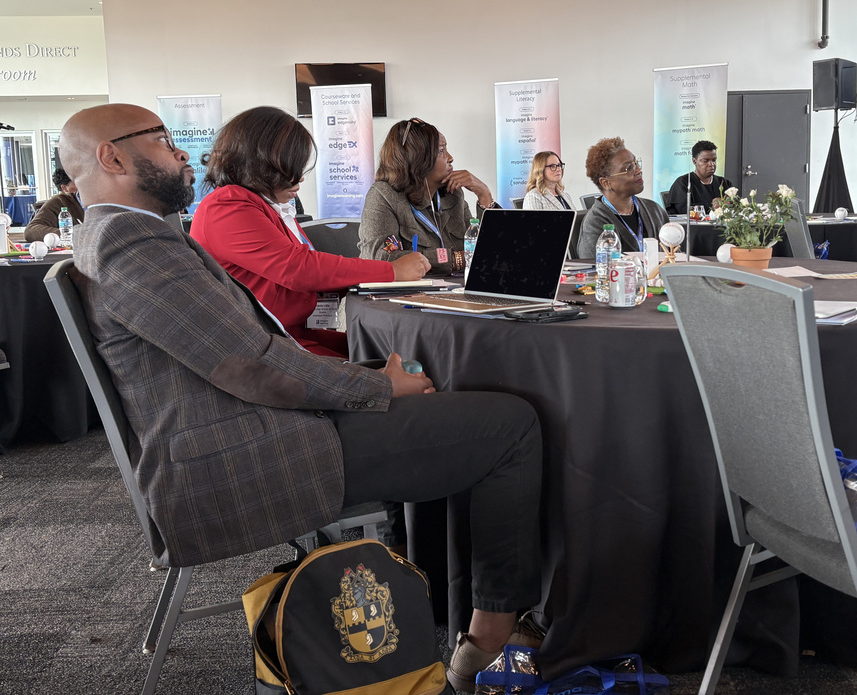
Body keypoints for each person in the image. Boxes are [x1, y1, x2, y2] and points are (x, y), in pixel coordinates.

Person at [59, 104, 542, 690]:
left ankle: (433, 595)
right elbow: (249, 364)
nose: (184, 151)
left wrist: (369, 377)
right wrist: (377, 384)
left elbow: (246, 350)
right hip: (250, 450)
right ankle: (489, 640)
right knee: (510, 426)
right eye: (162, 140)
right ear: (111, 155)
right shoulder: (131, 240)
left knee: (443, 399)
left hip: (243, 424)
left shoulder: (123, 235)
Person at [190, 107, 429, 358]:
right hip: (263, 344)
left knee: (389, 351)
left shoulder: (256, 205)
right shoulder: (227, 205)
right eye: (293, 168)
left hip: (286, 332)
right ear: (263, 163)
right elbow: (297, 268)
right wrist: (391, 271)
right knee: (388, 369)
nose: (300, 180)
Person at [359, 118, 500, 274]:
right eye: (441, 151)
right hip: (409, 296)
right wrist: (453, 260)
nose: (450, 157)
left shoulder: (453, 194)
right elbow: (378, 259)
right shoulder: (383, 196)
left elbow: (493, 251)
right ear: (419, 158)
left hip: (456, 291)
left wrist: (484, 195)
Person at [576, 137, 669, 259]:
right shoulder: (594, 223)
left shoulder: (654, 210)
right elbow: (595, 272)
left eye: (636, 163)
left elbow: (674, 256)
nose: (638, 170)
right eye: (629, 168)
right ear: (606, 183)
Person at [664, 139, 734, 215]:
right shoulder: (684, 182)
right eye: (706, 160)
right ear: (694, 161)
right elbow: (683, 210)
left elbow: (735, 207)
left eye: (714, 160)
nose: (711, 164)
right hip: (694, 226)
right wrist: (713, 206)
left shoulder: (724, 183)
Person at [24, 167, 85, 242]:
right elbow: (30, 231)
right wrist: (70, 235)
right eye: (77, 182)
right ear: (64, 188)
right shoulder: (59, 202)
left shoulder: (100, 199)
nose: (84, 185)